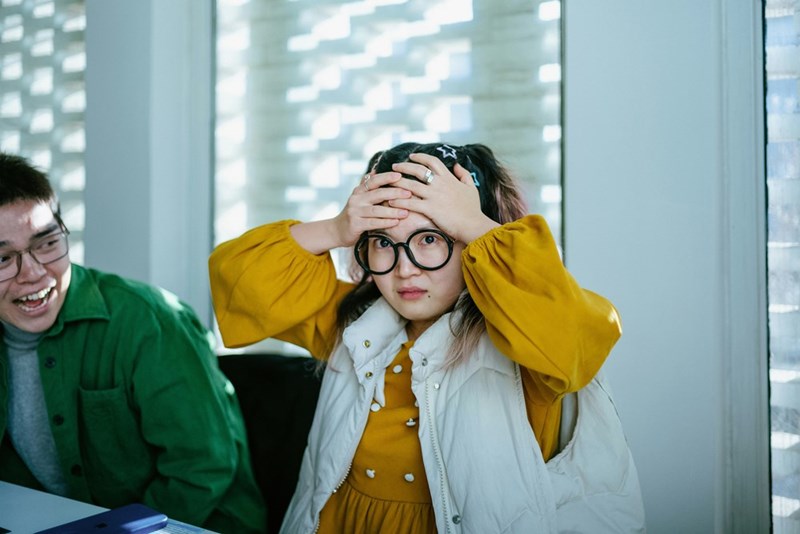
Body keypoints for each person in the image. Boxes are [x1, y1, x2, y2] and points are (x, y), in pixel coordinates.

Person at [209, 142, 645, 533]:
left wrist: (474, 224)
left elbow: (576, 332)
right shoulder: (354, 323)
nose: (405, 268)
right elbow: (239, 281)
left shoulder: (521, 342)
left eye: (432, 238)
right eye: (383, 241)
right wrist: (337, 229)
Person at [0, 153, 266, 533]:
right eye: (3, 257)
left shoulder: (150, 319)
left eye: (46, 243)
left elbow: (201, 468)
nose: (34, 273)